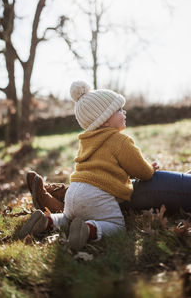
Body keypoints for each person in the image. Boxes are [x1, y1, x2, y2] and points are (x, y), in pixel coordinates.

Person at [19, 81, 191, 250]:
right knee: (116, 224)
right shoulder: (120, 140)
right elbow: (143, 172)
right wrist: (150, 169)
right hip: (98, 194)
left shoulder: (86, 141)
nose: (124, 112)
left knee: (66, 218)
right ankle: (90, 230)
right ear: (105, 119)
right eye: (118, 110)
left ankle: (47, 221)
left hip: (74, 192)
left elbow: (109, 168)